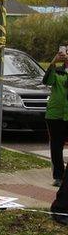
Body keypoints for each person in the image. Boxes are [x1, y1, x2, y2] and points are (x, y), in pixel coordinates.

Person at [43, 47, 68, 187]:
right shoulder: (58, 70)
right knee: (56, 147)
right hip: (55, 115)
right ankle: (58, 176)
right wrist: (53, 61)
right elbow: (47, 81)